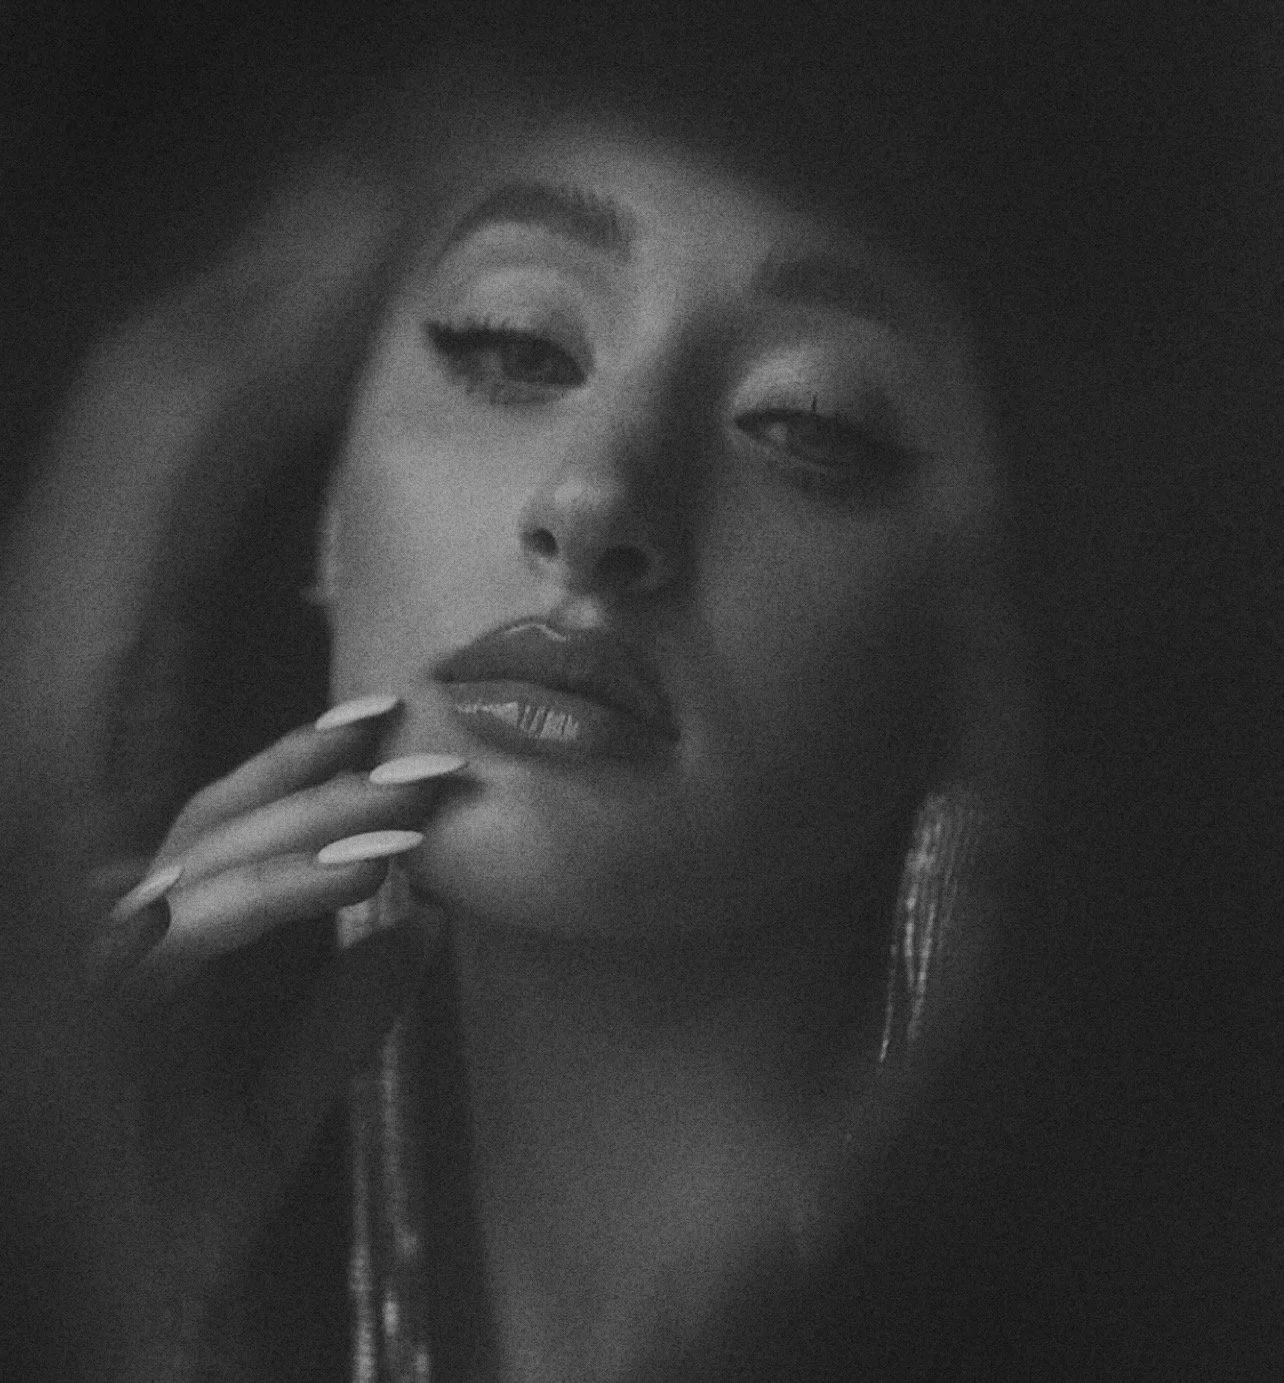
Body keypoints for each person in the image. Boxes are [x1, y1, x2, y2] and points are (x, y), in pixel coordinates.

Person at [3, 11, 1054, 1380]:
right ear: (322, 509)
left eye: (809, 424)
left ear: (992, 624)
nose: (597, 501)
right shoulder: (156, 1201)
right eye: (515, 347)